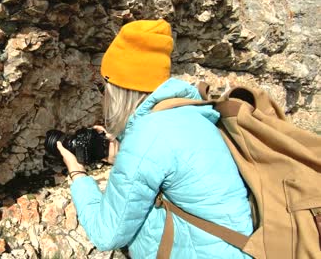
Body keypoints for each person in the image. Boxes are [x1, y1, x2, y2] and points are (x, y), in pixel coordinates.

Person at [56, 19, 253, 258]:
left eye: (105, 85)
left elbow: (105, 234)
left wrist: (77, 174)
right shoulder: (191, 112)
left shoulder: (148, 135)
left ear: (119, 88)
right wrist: (124, 155)